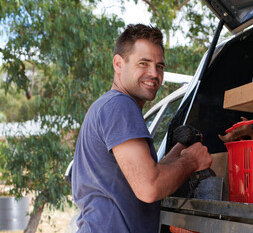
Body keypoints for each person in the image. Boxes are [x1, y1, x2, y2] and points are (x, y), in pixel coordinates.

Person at [71, 24, 212, 233]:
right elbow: (149, 187)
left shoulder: (107, 106)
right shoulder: (120, 106)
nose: (154, 73)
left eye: (160, 66)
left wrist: (180, 153)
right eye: (143, 63)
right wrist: (191, 161)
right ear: (118, 63)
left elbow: (143, 176)